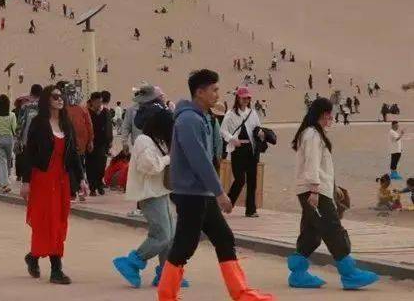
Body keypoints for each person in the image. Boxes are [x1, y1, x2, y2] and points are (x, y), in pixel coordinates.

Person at [159, 69, 273, 301]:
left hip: (202, 192)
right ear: (200, 92)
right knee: (185, 245)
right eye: (214, 90)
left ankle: (241, 293)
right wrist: (220, 192)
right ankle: (166, 295)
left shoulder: (201, 117)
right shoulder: (188, 120)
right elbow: (199, 159)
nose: (217, 94)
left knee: (224, 238)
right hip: (191, 193)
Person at [287, 98, 379, 290]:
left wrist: (333, 186)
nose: (331, 117)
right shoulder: (312, 134)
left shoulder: (315, 133)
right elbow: (312, 163)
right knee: (333, 229)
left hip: (316, 189)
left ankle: (298, 273)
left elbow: (321, 166)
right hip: (314, 191)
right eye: (329, 113)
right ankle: (349, 273)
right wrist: (315, 189)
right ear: (322, 114)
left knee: (311, 232)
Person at [113, 109, 188, 289]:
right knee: (162, 236)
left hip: (160, 192)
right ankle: (132, 262)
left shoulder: (158, 141)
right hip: (148, 195)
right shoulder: (143, 140)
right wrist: (168, 159)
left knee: (170, 236)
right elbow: (149, 166)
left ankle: (166, 273)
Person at [20, 85, 86, 285]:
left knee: (59, 221)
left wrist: (81, 179)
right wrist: (25, 181)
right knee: (46, 222)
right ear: (47, 99)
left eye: (61, 96)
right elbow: (29, 153)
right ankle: (56, 269)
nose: (60, 99)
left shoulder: (66, 124)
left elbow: (73, 154)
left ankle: (33, 256)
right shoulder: (38, 123)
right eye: (55, 96)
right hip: (42, 179)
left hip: (61, 179)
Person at [220, 87, 265, 217]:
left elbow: (258, 127)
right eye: (244, 98)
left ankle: (251, 210)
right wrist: (232, 139)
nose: (246, 100)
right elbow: (223, 130)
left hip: (251, 150)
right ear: (238, 98)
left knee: (252, 180)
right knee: (240, 180)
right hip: (238, 150)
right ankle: (228, 204)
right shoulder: (230, 114)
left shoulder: (253, 113)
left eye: (248, 98)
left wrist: (261, 133)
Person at [86, 91, 114, 195]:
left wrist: (110, 141)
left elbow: (109, 127)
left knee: (101, 165)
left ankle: (99, 184)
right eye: (97, 102)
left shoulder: (106, 112)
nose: (99, 104)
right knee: (90, 165)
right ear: (92, 102)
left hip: (103, 144)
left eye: (100, 102)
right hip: (91, 143)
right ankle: (92, 188)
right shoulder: (87, 113)